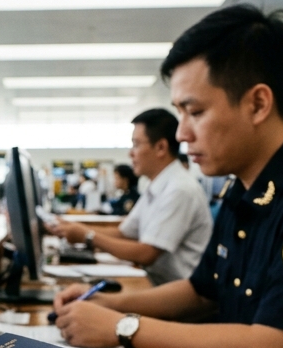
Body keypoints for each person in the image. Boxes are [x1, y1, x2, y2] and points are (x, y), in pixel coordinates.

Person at [52, 5, 283, 348]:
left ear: (258, 104)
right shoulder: (242, 186)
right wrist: (109, 304)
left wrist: (123, 327)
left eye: (194, 111)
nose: (182, 134)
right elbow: (203, 292)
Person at [51, 109, 212, 286]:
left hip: (177, 296)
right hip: (155, 283)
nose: (130, 154)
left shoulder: (180, 189)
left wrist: (87, 236)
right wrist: (75, 228)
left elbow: (146, 253)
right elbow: (123, 233)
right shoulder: (157, 186)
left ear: (161, 148)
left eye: (136, 145)